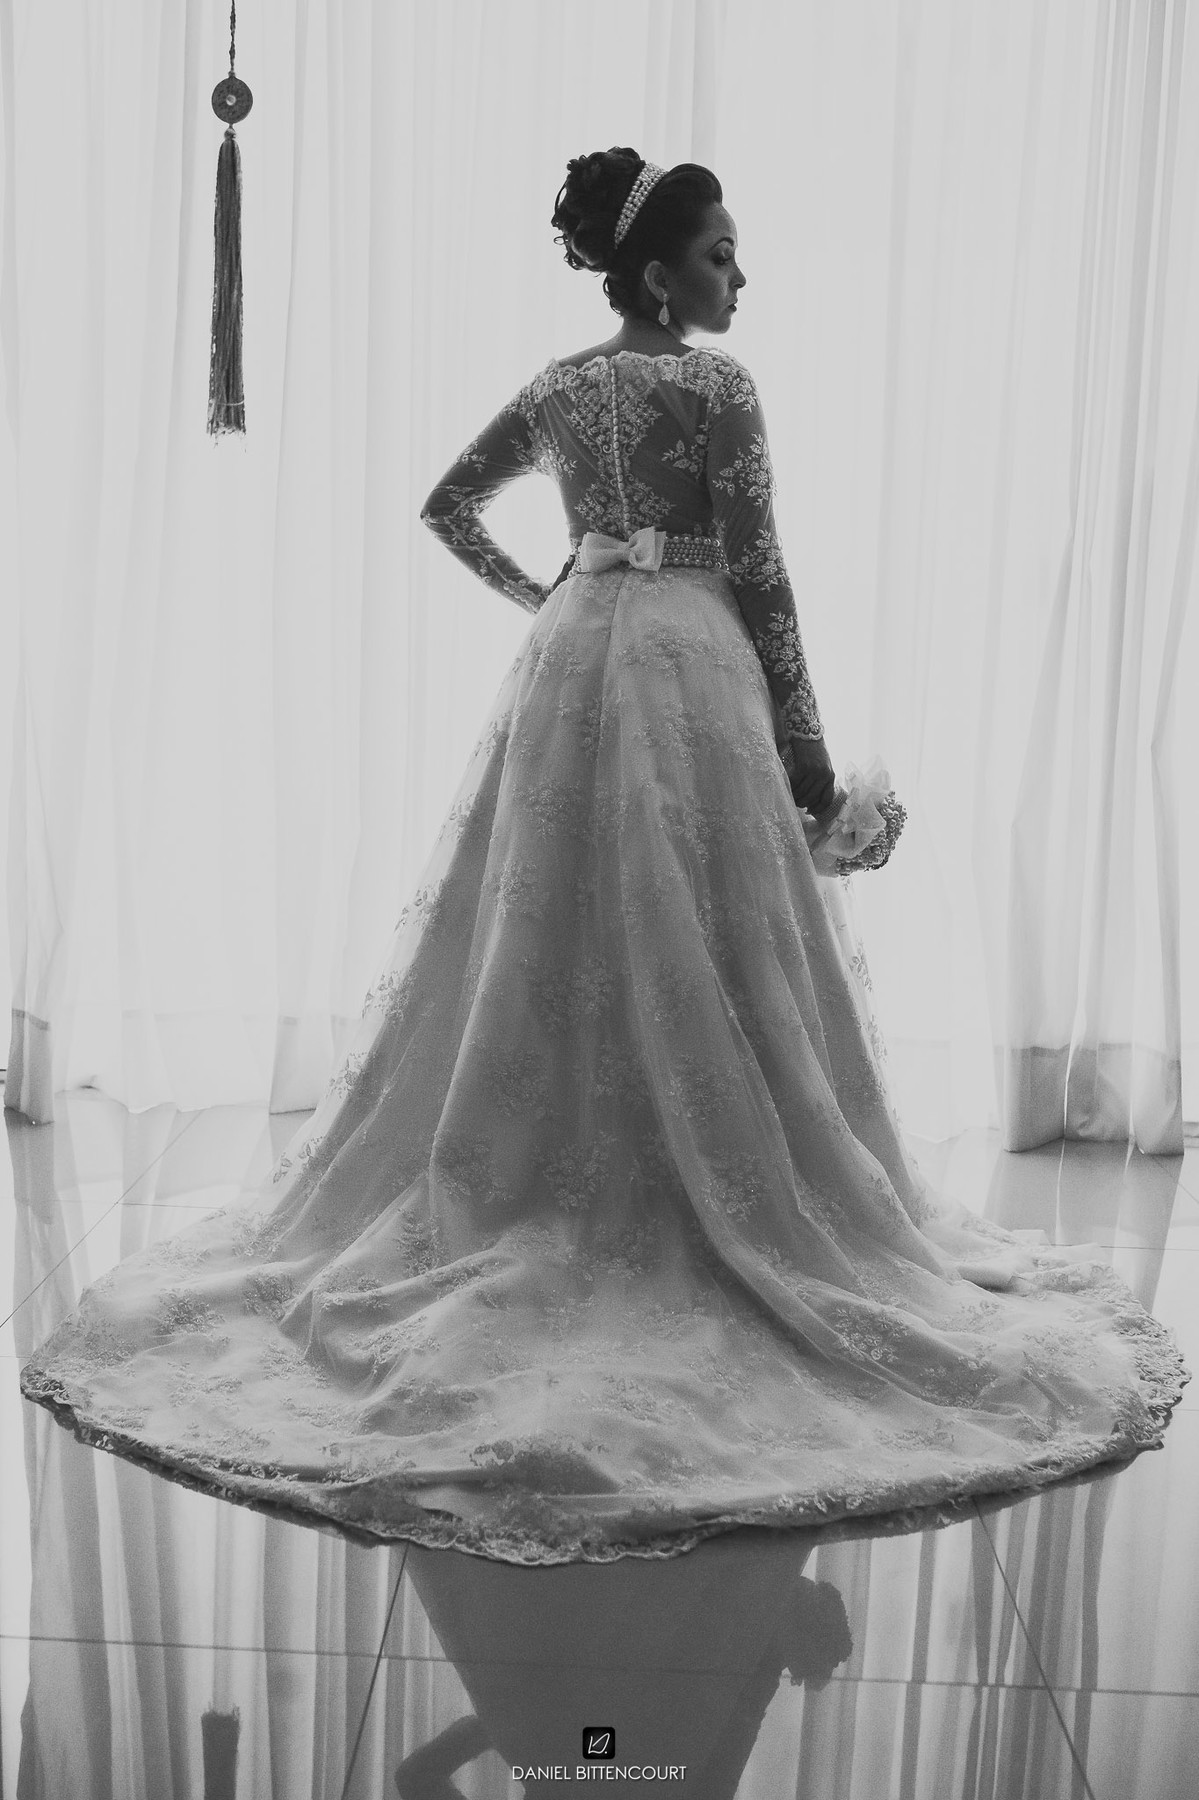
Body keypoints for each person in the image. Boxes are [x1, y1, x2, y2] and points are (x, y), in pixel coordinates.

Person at [20, 148, 1187, 1566]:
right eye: (719, 255)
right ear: (656, 273)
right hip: (692, 657)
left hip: (576, 660)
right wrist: (812, 764)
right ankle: (707, 1194)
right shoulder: (718, 388)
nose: (739, 277)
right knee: (703, 925)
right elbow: (762, 574)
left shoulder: (561, 388)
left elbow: (447, 507)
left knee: (546, 929)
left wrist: (558, 591)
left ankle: (531, 1189)